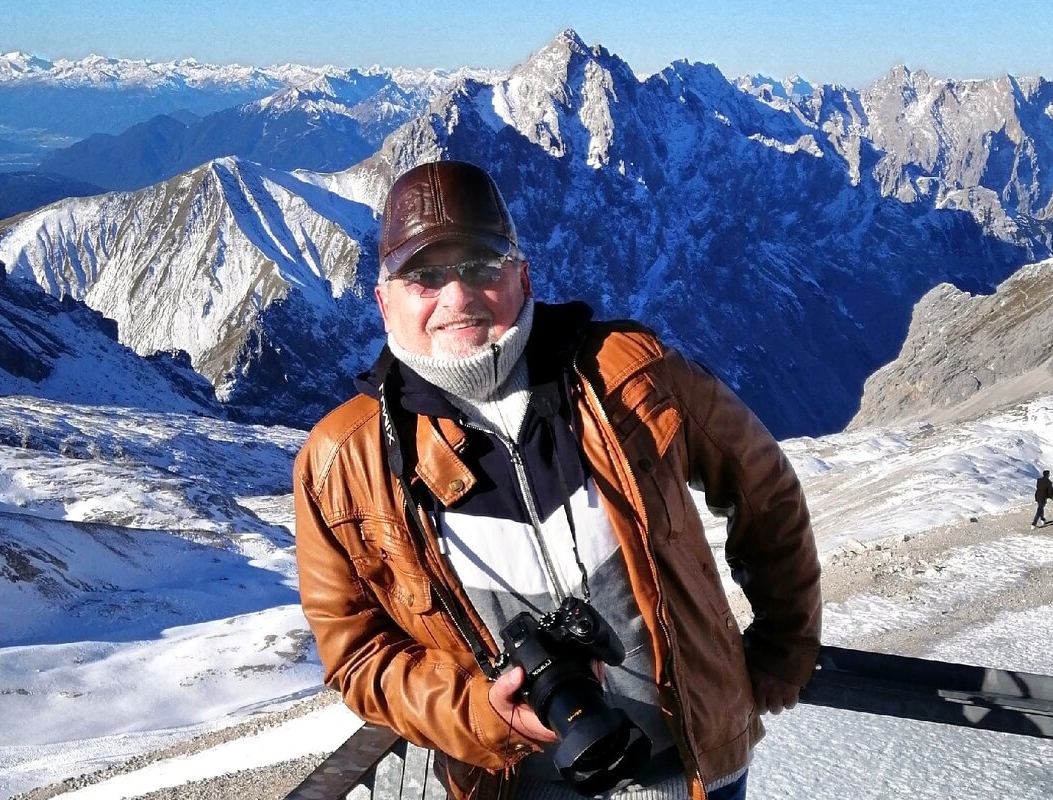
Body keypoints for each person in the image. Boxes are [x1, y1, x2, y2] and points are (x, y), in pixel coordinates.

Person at [294, 160, 822, 800]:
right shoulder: (344, 462)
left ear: (522, 276)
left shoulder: (630, 373)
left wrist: (785, 645)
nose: (456, 297)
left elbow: (763, 489)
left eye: (480, 266)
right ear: (384, 300)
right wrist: (483, 715)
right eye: (423, 276)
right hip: (516, 784)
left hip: (692, 771)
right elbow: (356, 655)